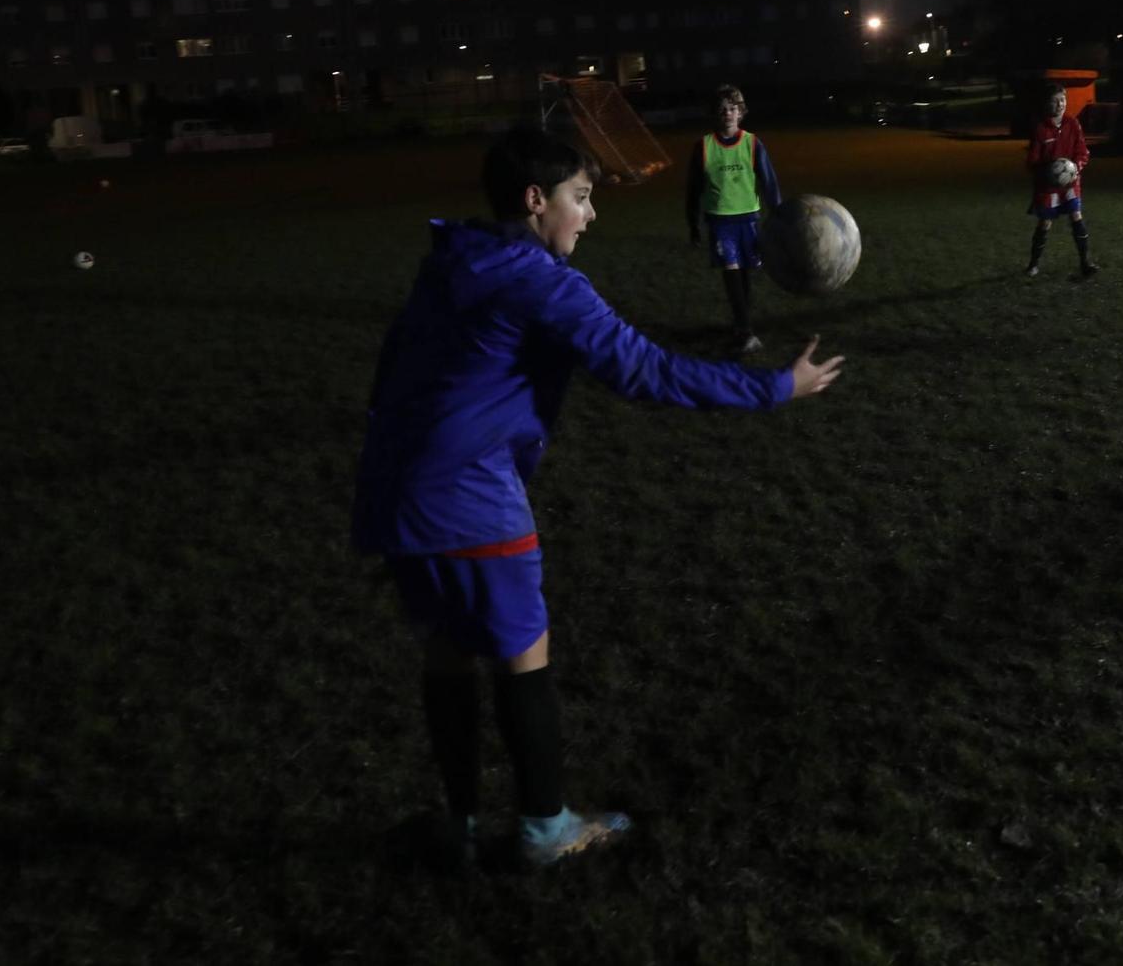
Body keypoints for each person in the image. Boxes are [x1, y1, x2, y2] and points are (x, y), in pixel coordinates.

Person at [355, 127, 843, 870]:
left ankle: (457, 824)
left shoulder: (453, 255)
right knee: (523, 657)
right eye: (579, 198)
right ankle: (546, 828)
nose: (589, 215)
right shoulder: (541, 280)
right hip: (472, 499)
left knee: (448, 655)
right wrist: (776, 385)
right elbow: (644, 370)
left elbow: (393, 362)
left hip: (399, 494)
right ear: (534, 200)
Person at [684, 85, 782, 356]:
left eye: (732, 108)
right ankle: (746, 330)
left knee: (744, 276)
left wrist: (778, 215)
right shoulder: (703, 146)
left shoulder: (752, 143)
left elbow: (769, 182)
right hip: (720, 221)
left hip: (748, 219)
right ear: (715, 114)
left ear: (741, 112)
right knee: (732, 272)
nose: (727, 113)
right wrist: (693, 224)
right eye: (722, 109)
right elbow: (693, 189)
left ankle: (742, 324)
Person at [1024, 83, 1099, 279]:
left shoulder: (1072, 124)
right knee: (1045, 223)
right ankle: (1033, 264)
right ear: (1047, 104)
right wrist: (1046, 171)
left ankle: (1086, 262)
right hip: (1048, 187)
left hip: (1070, 183)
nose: (1060, 104)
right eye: (1055, 101)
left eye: (1063, 100)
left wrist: (1075, 168)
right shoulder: (1040, 129)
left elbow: (1083, 152)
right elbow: (1032, 161)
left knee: (1076, 216)